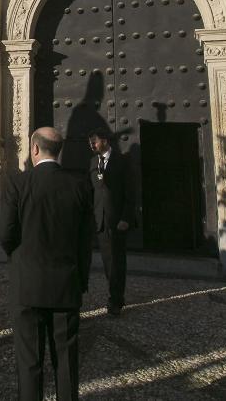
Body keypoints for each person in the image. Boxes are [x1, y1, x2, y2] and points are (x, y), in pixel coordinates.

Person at [0, 127, 94, 401]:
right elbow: (86, 242)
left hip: (27, 285)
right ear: (58, 151)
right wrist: (81, 280)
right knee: (66, 360)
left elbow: (5, 233)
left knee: (29, 362)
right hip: (66, 285)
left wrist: (18, 260)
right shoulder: (80, 185)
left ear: (34, 149)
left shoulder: (18, 183)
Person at [88, 128, 130, 316]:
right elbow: (91, 191)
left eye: (94, 141)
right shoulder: (92, 163)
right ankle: (115, 295)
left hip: (117, 221)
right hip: (100, 221)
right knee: (107, 261)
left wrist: (125, 218)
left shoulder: (121, 161)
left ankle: (116, 299)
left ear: (104, 141)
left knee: (117, 261)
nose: (92, 144)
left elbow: (130, 193)